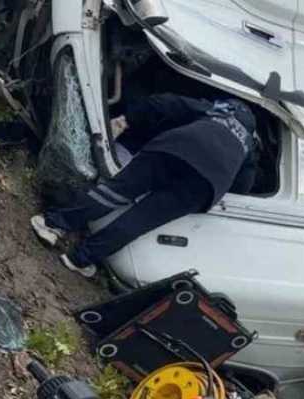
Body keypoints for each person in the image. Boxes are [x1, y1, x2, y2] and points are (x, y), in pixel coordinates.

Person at [30, 93, 259, 277]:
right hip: (205, 183)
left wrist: (126, 120)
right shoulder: (249, 144)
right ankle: (78, 259)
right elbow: (244, 184)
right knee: (140, 220)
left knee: (114, 193)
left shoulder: (215, 110)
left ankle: (52, 224)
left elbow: (167, 103)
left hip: (174, 148)